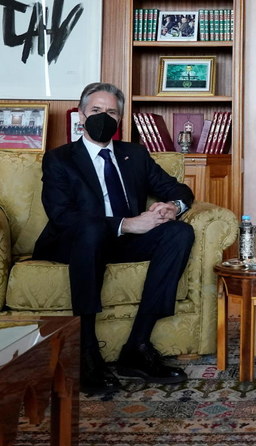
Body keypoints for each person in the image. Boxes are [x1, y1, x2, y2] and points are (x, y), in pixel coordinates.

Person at [32, 83, 195, 394]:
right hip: (75, 243)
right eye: (95, 111)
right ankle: (88, 351)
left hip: (123, 242)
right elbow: (62, 216)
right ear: (81, 116)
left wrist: (172, 207)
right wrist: (127, 224)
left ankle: (137, 347)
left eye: (111, 112)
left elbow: (178, 190)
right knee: (91, 229)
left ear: (119, 119)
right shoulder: (60, 159)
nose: (103, 117)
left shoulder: (134, 154)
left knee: (179, 232)